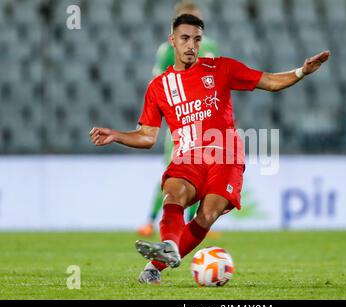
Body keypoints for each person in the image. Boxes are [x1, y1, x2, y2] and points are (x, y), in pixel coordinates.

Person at [89, 14, 330, 284]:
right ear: (172, 42)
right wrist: (116, 135)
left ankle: (154, 267)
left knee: (207, 214)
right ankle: (169, 245)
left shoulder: (221, 68)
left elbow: (271, 82)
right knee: (174, 193)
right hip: (188, 156)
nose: (191, 45)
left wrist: (301, 72)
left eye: (197, 39)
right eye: (185, 39)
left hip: (225, 155)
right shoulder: (159, 87)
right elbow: (147, 137)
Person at [137, 1, 219, 237]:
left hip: (204, 123)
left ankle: (194, 223)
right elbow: (159, 84)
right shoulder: (166, 50)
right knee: (173, 171)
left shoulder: (210, 46)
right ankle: (150, 221)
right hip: (181, 123)